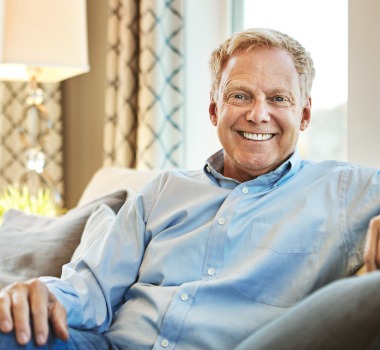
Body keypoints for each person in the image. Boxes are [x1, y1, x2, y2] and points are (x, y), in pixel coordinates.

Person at [1, 27, 380, 350]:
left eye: (278, 98)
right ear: (215, 110)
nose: (258, 114)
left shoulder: (344, 190)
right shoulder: (163, 191)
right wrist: (41, 294)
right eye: (240, 95)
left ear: (305, 114)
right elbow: (93, 289)